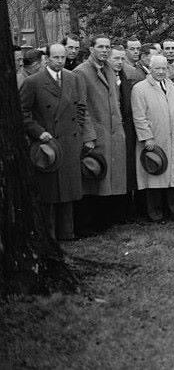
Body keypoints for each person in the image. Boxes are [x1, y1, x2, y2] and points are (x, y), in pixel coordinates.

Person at [20, 43, 89, 241]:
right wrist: (39, 132)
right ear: (47, 58)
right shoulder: (33, 82)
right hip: (47, 145)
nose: (60, 61)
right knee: (49, 193)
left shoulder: (73, 78)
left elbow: (80, 107)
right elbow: (22, 112)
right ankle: (48, 237)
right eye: (56, 57)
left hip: (69, 142)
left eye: (63, 57)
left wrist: (76, 129)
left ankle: (67, 234)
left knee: (68, 191)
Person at [74, 34, 127, 232]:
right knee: (94, 178)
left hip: (113, 132)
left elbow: (116, 102)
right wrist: (88, 135)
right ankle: (89, 224)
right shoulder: (81, 72)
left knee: (110, 179)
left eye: (107, 47)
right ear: (91, 49)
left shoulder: (110, 70)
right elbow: (81, 107)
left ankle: (107, 221)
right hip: (96, 134)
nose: (105, 50)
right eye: (101, 47)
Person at [132, 55, 174, 222]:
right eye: (157, 68)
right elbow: (139, 116)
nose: (161, 71)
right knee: (155, 175)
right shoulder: (140, 88)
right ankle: (156, 214)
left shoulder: (170, 85)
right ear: (150, 68)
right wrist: (147, 137)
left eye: (164, 68)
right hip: (154, 140)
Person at [110, 45, 140, 221]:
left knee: (127, 171)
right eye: (116, 58)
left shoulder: (125, 78)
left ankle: (127, 211)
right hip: (112, 130)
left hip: (127, 130)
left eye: (122, 59)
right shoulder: (107, 78)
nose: (119, 62)